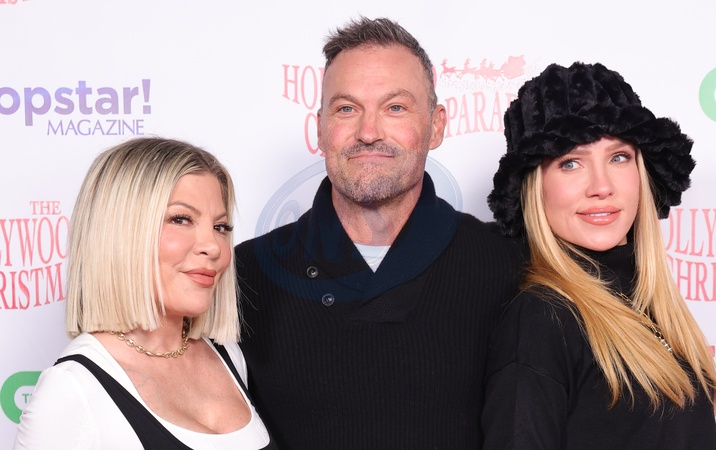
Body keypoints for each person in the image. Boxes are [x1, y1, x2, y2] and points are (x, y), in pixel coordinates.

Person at [234, 16, 525, 449]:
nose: (368, 133)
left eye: (395, 108)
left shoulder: (509, 266)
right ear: (320, 129)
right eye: (346, 109)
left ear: (436, 125)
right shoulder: (246, 274)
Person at [483, 62, 716, 449]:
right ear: (536, 188)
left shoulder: (648, 301)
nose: (602, 186)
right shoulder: (542, 319)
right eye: (571, 163)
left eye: (618, 157)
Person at [14, 137, 276, 449]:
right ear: (120, 232)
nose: (213, 246)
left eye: (220, 227)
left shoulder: (228, 355)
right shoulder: (71, 391)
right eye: (181, 219)